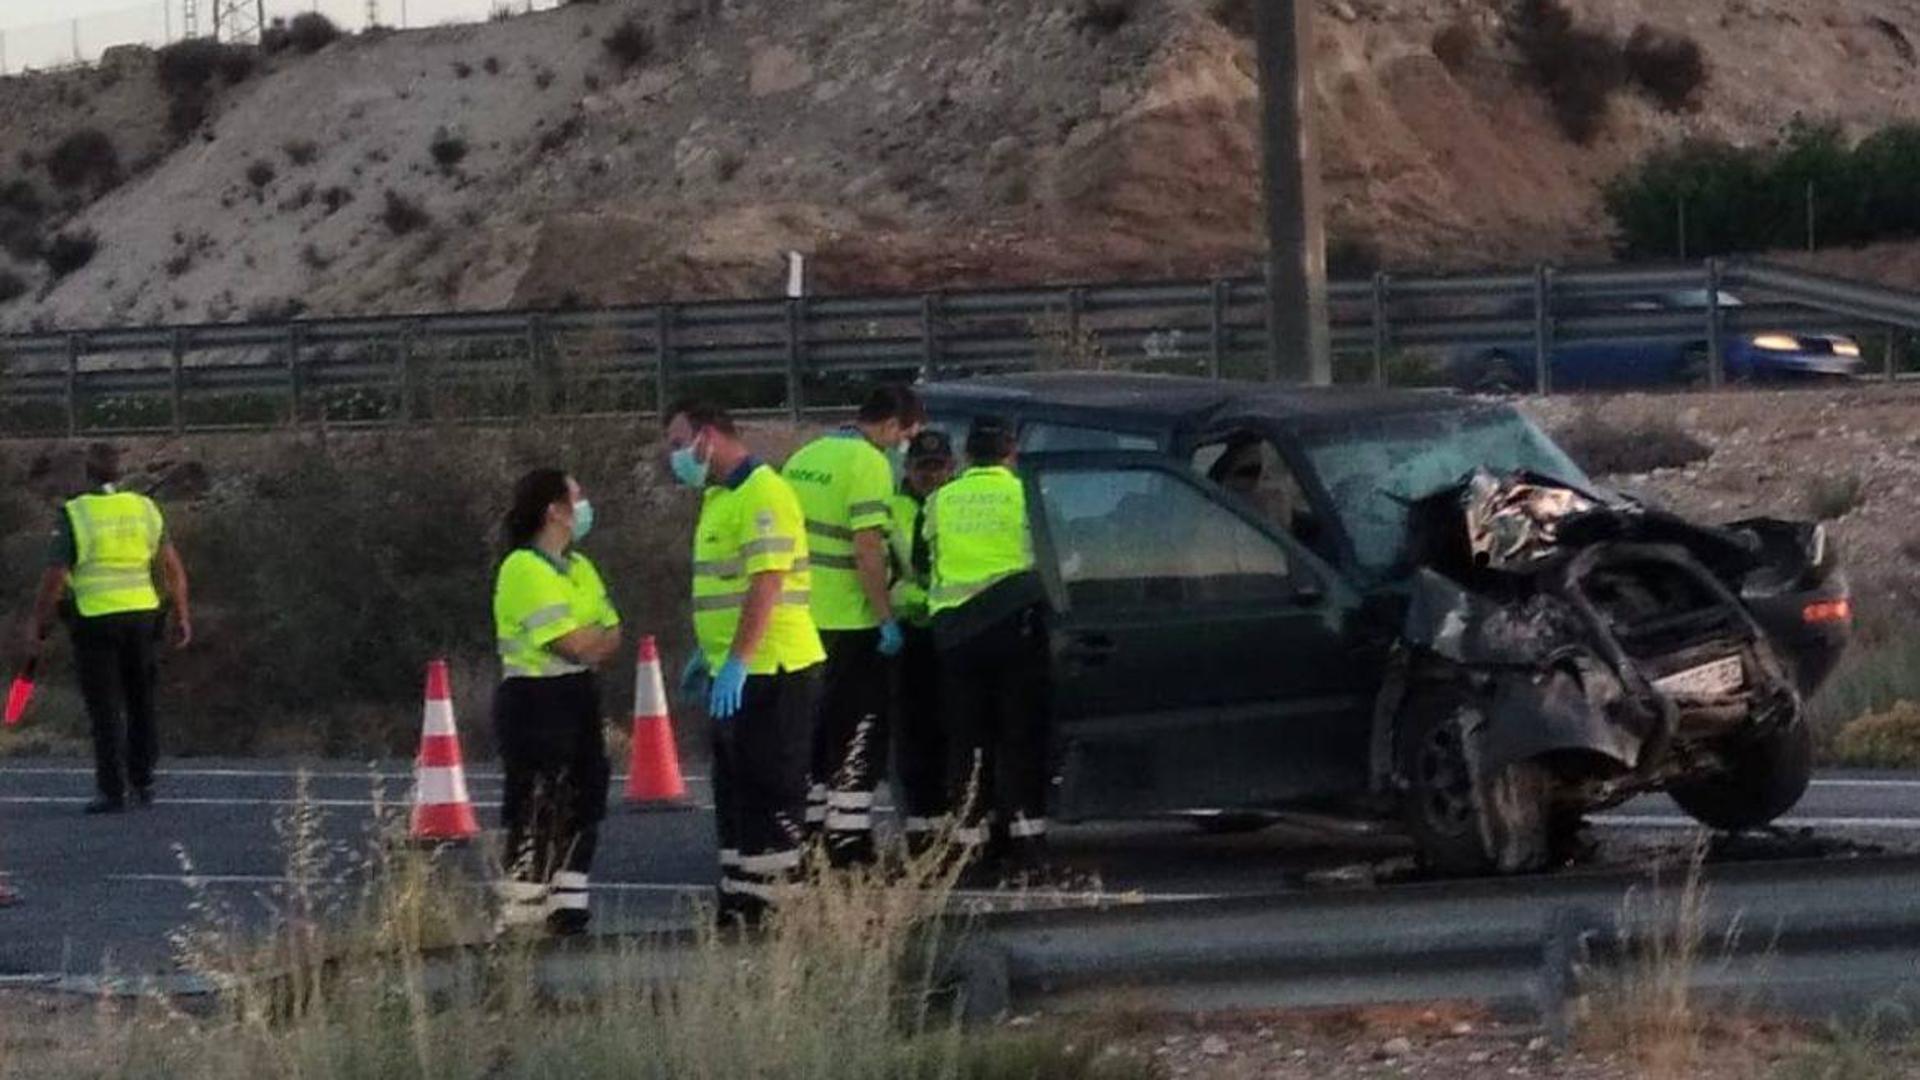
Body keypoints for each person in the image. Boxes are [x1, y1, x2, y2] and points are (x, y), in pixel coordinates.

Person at [667, 400, 824, 925]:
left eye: (678, 443)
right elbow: (725, 590)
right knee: (737, 799)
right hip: (733, 672)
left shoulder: (765, 493)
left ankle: (777, 913)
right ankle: (740, 907)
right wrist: (710, 655)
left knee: (771, 794)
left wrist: (737, 658)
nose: (675, 457)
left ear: (707, 437)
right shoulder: (719, 497)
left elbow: (767, 582)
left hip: (772, 669)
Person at [780, 385, 923, 867]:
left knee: (814, 734)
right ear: (889, 426)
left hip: (800, 616)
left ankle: (812, 833)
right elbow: (867, 549)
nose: (903, 447)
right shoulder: (869, 465)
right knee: (859, 731)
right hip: (850, 619)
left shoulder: (806, 455)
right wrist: (886, 619)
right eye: (906, 435)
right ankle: (850, 843)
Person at [491, 468, 622, 936]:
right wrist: (592, 640)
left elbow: (612, 634)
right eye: (577, 496)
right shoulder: (523, 568)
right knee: (539, 805)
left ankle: (567, 914)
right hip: (534, 700)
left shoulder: (580, 567)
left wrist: (593, 642)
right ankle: (522, 921)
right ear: (555, 510)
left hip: (578, 695)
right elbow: (573, 643)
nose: (584, 506)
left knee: (584, 801)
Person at [27, 443, 191, 815]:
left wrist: (39, 622)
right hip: (143, 616)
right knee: (141, 702)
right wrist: (182, 614)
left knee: (104, 708)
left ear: (85, 473)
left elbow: (55, 577)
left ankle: (112, 790)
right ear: (121, 472)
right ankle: (143, 780)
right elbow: (172, 568)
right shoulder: (144, 509)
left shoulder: (74, 514)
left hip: (94, 621)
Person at [926, 417, 1050, 878]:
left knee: (966, 743)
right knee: (1018, 738)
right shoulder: (1024, 494)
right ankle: (1026, 847)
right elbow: (1047, 555)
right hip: (1012, 625)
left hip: (956, 635)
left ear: (967, 455)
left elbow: (934, 563)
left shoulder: (941, 499)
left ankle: (968, 850)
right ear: (1010, 453)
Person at [887, 429, 956, 857]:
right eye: (923, 467)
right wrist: (923, 601)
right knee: (914, 735)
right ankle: (921, 828)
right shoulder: (892, 509)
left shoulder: (956, 505)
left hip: (952, 633)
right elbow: (889, 576)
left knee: (952, 732)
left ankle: (950, 823)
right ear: (909, 469)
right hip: (911, 633)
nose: (931, 475)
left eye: (938, 467)